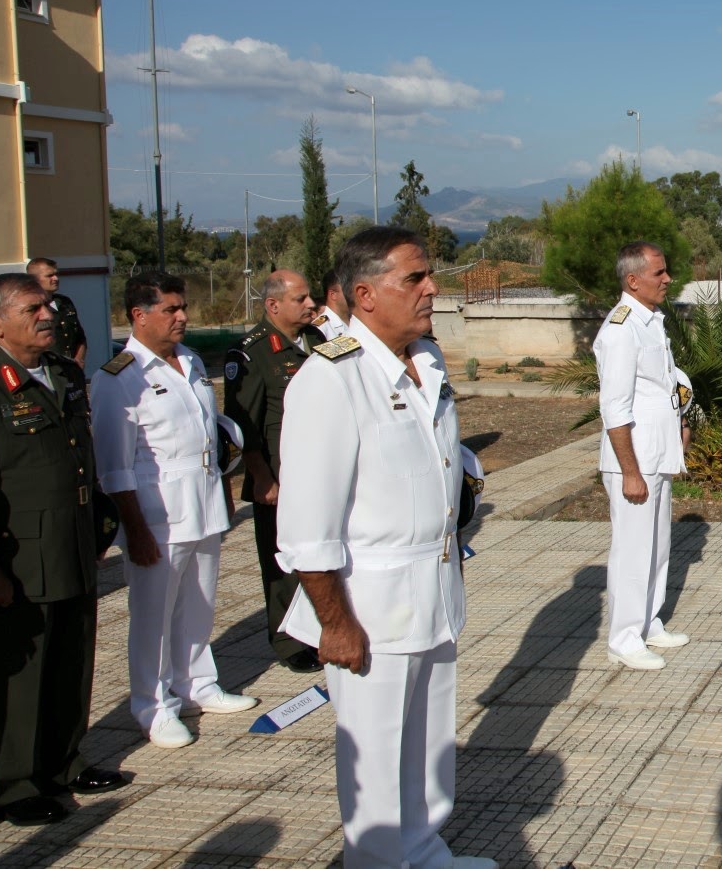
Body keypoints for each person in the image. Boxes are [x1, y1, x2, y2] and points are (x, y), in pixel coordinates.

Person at [275, 227, 493, 869]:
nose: (432, 288)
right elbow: (307, 530)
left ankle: (425, 852)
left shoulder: (427, 362)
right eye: (414, 278)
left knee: (428, 749)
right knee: (374, 765)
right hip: (367, 610)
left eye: (429, 275)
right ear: (365, 295)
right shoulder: (331, 378)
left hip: (434, 594)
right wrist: (334, 624)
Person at [92, 272, 256, 750]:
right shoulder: (120, 378)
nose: (182, 316)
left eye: (182, 307)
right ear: (138, 316)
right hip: (157, 514)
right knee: (153, 616)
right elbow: (115, 467)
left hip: (203, 505)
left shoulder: (188, 360)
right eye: (171, 309)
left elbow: (210, 436)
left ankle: (197, 684)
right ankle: (153, 704)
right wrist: (134, 529)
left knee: (199, 604)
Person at [0, 274, 128, 827]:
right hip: (18, 552)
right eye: (32, 308)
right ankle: (15, 782)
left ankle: (64, 763)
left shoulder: (66, 372)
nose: (47, 314)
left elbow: (78, 455)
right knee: (24, 673)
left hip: (71, 538)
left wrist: (97, 524)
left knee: (74, 657)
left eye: (47, 305)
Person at [592, 241, 694, 671]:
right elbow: (614, 407)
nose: (667, 279)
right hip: (633, 461)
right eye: (659, 273)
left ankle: (649, 621)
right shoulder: (620, 329)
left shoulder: (651, 322)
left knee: (657, 546)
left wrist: (681, 433)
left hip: (657, 455)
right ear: (633, 280)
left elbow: (663, 389)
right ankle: (624, 636)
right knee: (632, 551)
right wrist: (630, 472)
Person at [222, 270, 326, 674]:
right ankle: (288, 640)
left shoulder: (318, 341)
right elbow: (242, 423)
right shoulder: (251, 352)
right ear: (273, 305)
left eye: (310, 297)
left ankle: (318, 624)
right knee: (282, 560)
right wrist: (261, 477)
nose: (310, 305)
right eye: (300, 299)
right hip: (280, 476)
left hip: (320, 468)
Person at [25, 258, 87, 368]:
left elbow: (80, 337)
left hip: (71, 369)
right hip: (48, 368)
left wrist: (78, 360)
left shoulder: (64, 303)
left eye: (56, 274)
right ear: (33, 279)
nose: (56, 278)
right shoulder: (28, 307)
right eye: (49, 275)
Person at [314, 268, 352, 341]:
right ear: (333, 295)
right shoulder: (320, 328)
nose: (354, 294)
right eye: (349, 290)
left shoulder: (356, 319)